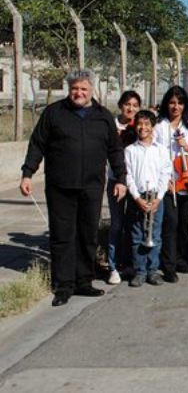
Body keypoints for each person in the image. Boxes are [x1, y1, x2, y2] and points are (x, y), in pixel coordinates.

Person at [21, 69, 127, 307]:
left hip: (92, 186)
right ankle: (63, 285)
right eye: (75, 89)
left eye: (83, 89)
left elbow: (115, 150)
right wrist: (28, 173)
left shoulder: (103, 117)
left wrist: (121, 178)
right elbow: (37, 143)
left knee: (87, 234)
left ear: (92, 91)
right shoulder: (54, 113)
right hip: (60, 186)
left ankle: (83, 281)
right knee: (62, 236)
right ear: (69, 90)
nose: (78, 93)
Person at [154, 86, 188, 281]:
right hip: (168, 182)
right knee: (171, 223)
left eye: (180, 103)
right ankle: (169, 266)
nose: (176, 107)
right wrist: (164, 179)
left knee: (184, 224)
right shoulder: (160, 126)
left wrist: (187, 147)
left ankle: (183, 259)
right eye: (172, 102)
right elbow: (156, 153)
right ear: (167, 104)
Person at [124, 110, 172, 287]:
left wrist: (158, 198)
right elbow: (128, 176)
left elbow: (165, 174)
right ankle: (140, 271)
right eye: (139, 124)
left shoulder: (161, 150)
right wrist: (137, 198)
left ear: (153, 127)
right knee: (137, 235)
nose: (142, 128)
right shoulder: (129, 150)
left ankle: (153, 271)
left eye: (146, 124)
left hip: (155, 197)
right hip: (138, 197)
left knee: (155, 235)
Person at [106, 90, 141, 285]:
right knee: (117, 224)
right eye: (128, 104)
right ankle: (113, 266)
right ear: (121, 105)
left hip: (134, 181)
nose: (131, 109)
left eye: (135, 105)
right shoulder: (111, 124)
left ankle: (132, 264)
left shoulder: (140, 125)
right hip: (115, 181)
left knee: (133, 224)